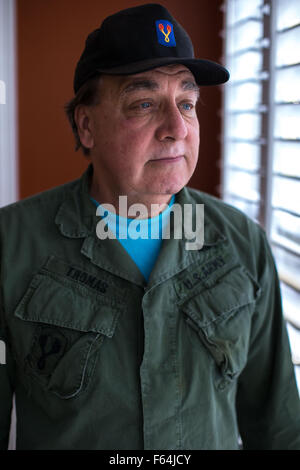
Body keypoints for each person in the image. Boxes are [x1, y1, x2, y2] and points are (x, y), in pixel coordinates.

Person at [0, 3, 299, 451]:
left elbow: (279, 429)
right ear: (87, 125)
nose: (177, 128)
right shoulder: (11, 244)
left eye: (187, 103)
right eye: (144, 103)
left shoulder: (242, 244)